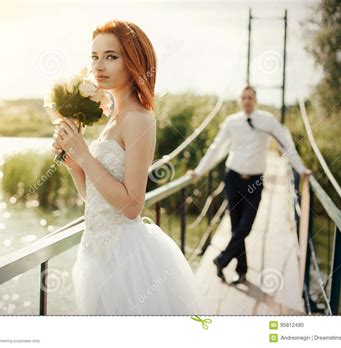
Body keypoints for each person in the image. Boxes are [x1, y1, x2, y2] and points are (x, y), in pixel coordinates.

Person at [52, 20, 205, 314]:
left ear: (134, 61)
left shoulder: (138, 117)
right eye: (95, 57)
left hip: (125, 261)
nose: (99, 65)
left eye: (111, 56)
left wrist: (85, 156)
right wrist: (74, 165)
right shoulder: (113, 117)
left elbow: (132, 206)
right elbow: (96, 200)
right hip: (95, 253)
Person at [187, 86, 312, 284]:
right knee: (236, 227)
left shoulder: (267, 120)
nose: (247, 101)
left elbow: (286, 145)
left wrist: (301, 169)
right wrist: (199, 171)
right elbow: (216, 147)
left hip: (255, 181)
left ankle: (222, 259)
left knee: (246, 227)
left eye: (250, 97)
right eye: (244, 98)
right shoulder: (232, 122)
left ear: (256, 100)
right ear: (240, 100)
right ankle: (241, 269)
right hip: (233, 179)